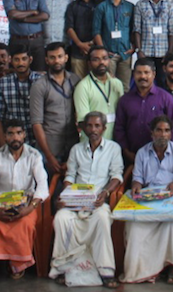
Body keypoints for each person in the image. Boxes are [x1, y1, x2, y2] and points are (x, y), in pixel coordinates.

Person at [50, 112, 124, 288]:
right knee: (61, 218)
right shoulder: (76, 149)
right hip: (76, 201)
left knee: (102, 218)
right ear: (83, 128)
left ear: (104, 129)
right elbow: (69, 176)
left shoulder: (113, 149)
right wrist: (65, 196)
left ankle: (106, 271)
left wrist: (105, 193)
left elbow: (117, 176)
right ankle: (64, 269)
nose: (93, 130)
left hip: (98, 201)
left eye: (97, 126)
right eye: (89, 126)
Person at [122, 115, 173, 284]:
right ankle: (142, 270)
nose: (163, 134)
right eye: (159, 130)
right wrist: (136, 185)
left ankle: (172, 267)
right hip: (149, 197)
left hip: (171, 195)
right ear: (152, 133)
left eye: (167, 131)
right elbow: (138, 177)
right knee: (133, 224)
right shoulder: (142, 152)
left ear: (171, 133)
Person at [0, 118, 50, 279]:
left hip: (26, 205)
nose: (15, 138)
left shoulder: (34, 156)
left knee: (24, 224)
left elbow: (42, 186)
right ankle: (6, 260)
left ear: (24, 135)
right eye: (10, 134)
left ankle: (17, 263)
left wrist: (30, 208)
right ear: (4, 136)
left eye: (18, 133)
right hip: (1, 205)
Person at [115, 58, 173, 163]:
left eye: (146, 73)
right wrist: (126, 151)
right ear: (133, 74)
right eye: (139, 73)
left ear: (154, 74)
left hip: (160, 157)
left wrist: (167, 152)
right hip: (131, 156)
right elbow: (119, 127)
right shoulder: (125, 100)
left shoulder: (166, 98)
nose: (143, 77)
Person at [30, 42, 80, 177]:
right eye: (52, 57)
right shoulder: (39, 86)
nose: (56, 60)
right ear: (46, 60)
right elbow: (36, 124)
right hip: (50, 149)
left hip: (73, 146)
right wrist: (49, 156)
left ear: (66, 58)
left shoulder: (75, 80)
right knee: (49, 192)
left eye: (59, 56)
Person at [2, 0, 50, 70]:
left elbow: (45, 15)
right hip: (17, 41)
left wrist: (23, 18)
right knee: (16, 73)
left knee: (39, 73)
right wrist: (32, 12)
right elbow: (12, 14)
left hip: (36, 41)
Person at [92, 0, 136, 88]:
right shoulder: (101, 7)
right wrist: (103, 51)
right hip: (108, 55)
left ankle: (124, 107)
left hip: (125, 54)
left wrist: (134, 47)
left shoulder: (130, 7)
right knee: (108, 86)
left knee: (125, 87)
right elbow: (96, 31)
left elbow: (134, 29)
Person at [74, 46, 125, 141]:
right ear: (89, 63)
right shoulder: (83, 86)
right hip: (93, 145)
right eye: (96, 59)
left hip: (115, 143)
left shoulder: (117, 84)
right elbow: (83, 121)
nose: (101, 62)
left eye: (105, 58)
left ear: (109, 61)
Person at [0, 45, 40, 148]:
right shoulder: (3, 83)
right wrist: (3, 146)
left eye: (24, 59)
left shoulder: (41, 81)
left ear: (30, 59)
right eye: (17, 60)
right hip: (12, 142)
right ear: (10, 60)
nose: (20, 63)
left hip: (38, 141)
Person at [133, 0, 173, 74]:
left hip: (163, 52)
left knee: (163, 82)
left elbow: (172, 31)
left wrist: (170, 52)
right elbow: (137, 30)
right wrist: (139, 50)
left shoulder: (169, 5)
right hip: (146, 52)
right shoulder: (140, 4)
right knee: (146, 80)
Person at [65, 0, 103, 78]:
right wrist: (80, 44)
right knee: (78, 84)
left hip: (97, 51)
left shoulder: (101, 4)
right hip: (78, 51)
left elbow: (105, 26)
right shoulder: (73, 6)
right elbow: (69, 28)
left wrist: (92, 42)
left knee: (97, 82)